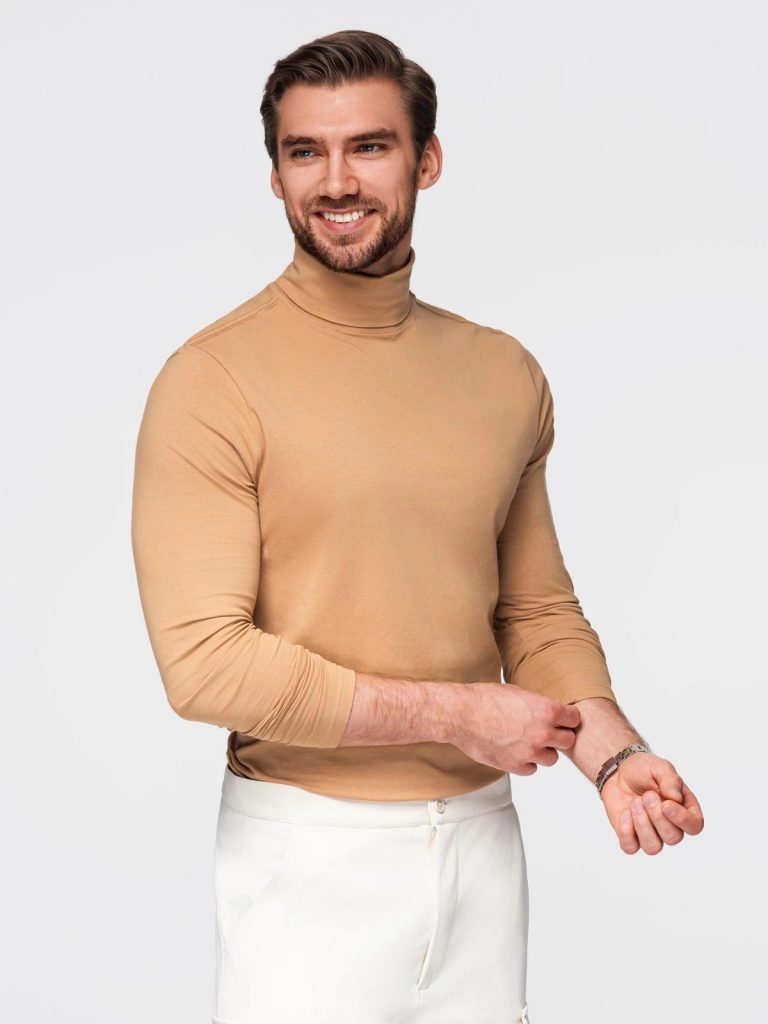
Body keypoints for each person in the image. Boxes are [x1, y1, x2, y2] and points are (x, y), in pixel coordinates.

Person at [130, 28, 704, 1024]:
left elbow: (533, 610)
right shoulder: (212, 382)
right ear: (274, 175)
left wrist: (612, 757)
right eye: (305, 152)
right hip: (306, 853)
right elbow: (205, 666)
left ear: (426, 160)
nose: (335, 181)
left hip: (482, 845)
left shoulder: (501, 373)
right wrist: (456, 713)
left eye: (370, 146)